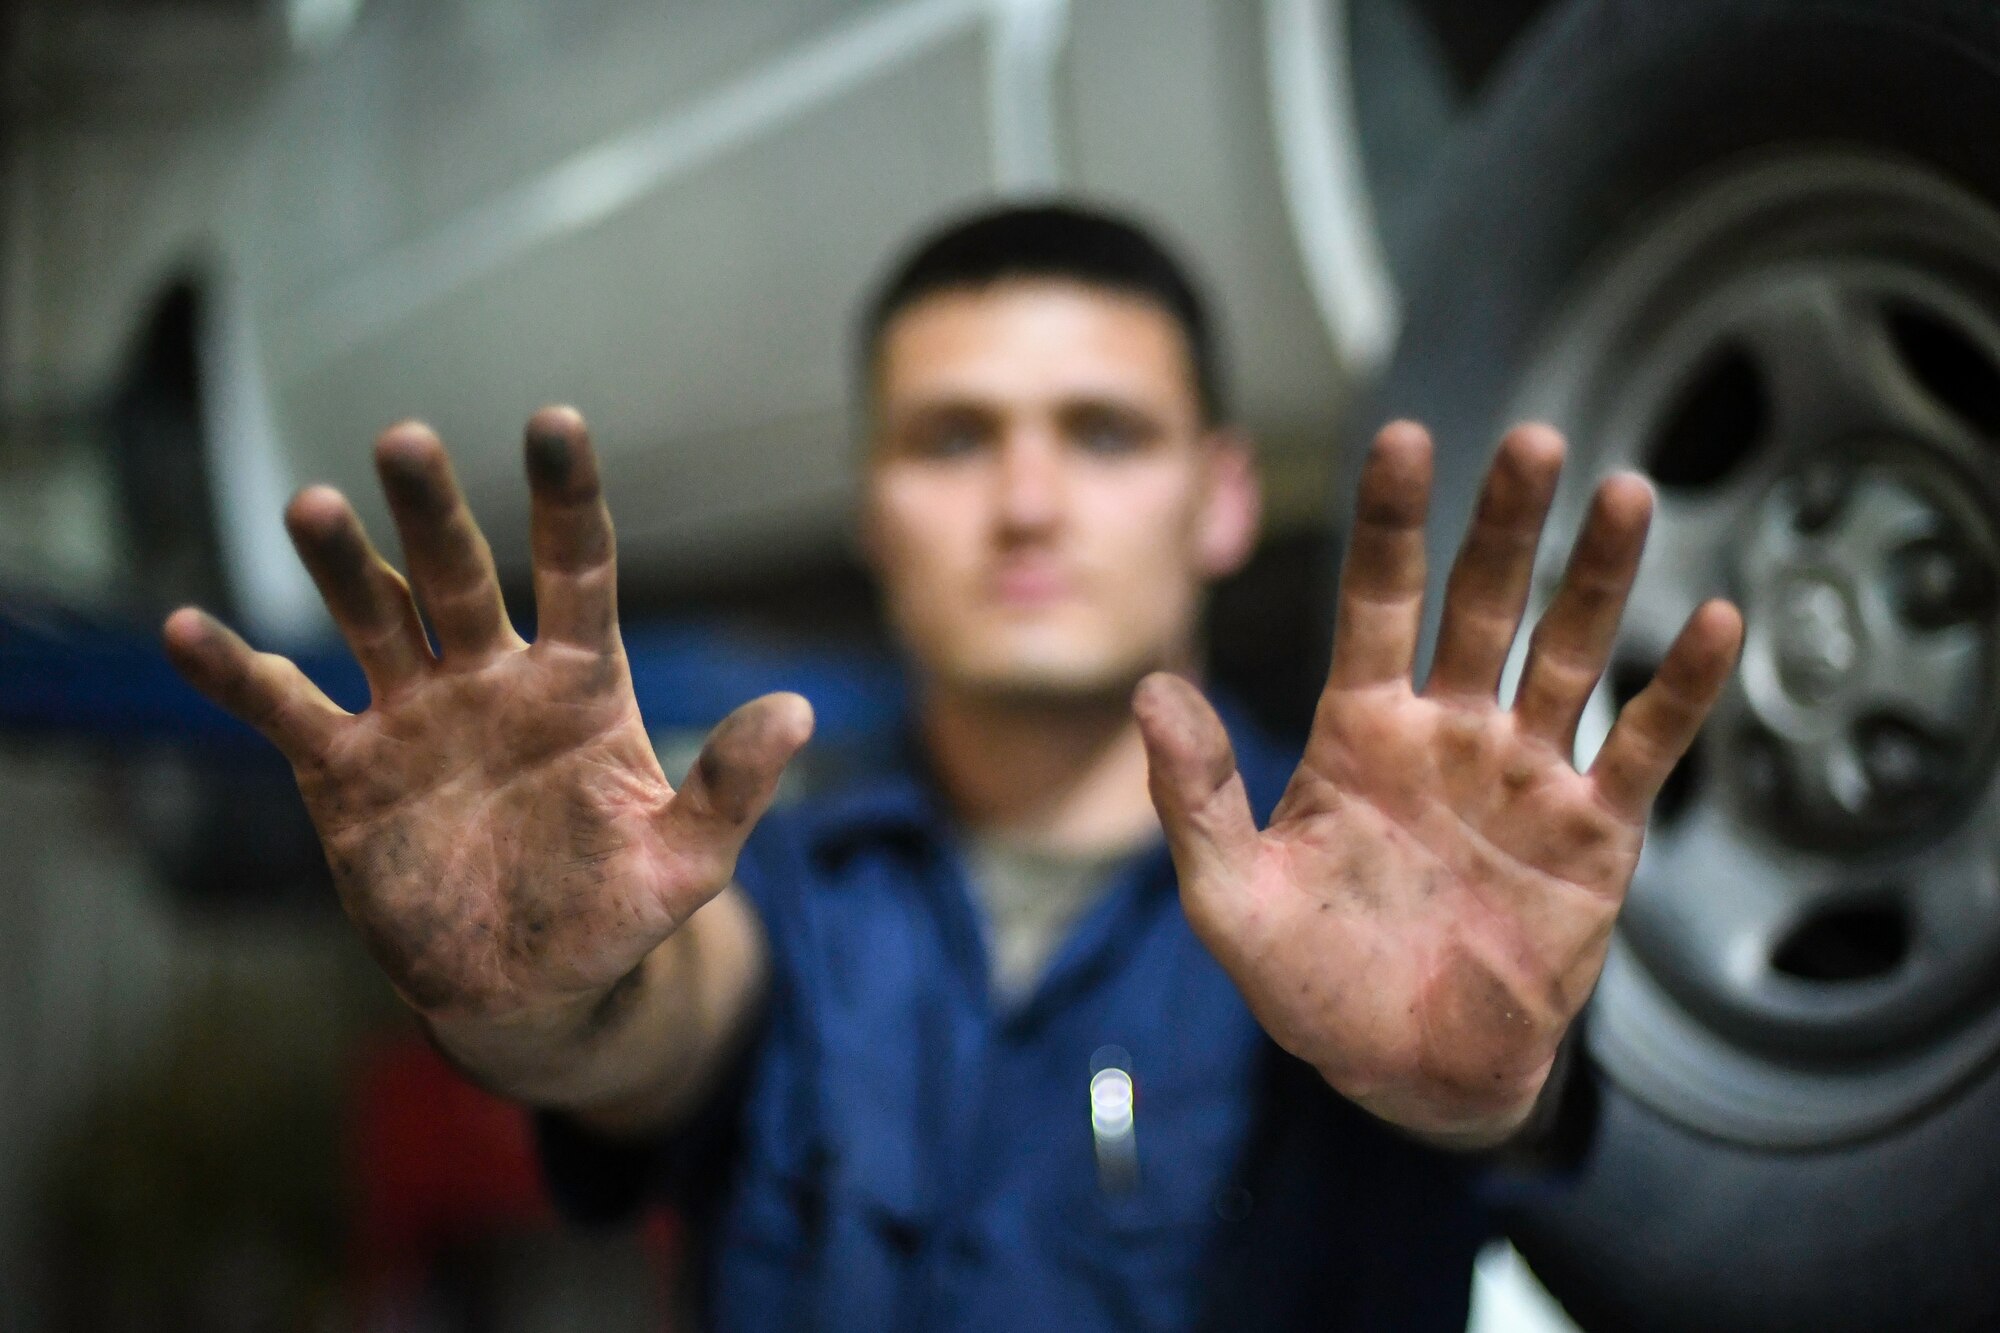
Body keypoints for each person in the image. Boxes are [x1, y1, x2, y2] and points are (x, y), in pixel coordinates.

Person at [161, 203, 1742, 1330]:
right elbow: (663, 1016)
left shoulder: (1376, 896)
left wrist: (1486, 1096)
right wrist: (553, 999)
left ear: (1222, 497)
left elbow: (1500, 1121)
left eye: (1105, 433)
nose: (1030, 499)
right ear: (871, 505)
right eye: (954, 437)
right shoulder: (761, 880)